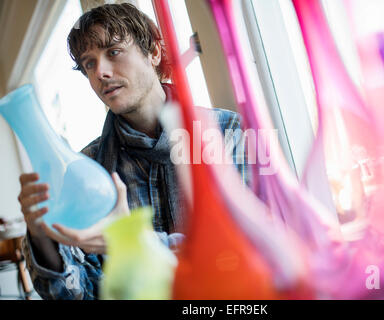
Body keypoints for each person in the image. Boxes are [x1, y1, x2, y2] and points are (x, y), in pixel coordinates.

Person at [18, 3, 248, 300]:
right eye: (89, 63)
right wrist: (40, 234)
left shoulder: (230, 132)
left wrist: (131, 240)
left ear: (153, 51)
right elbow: (77, 293)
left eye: (113, 52)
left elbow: (249, 248)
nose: (100, 71)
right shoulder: (88, 168)